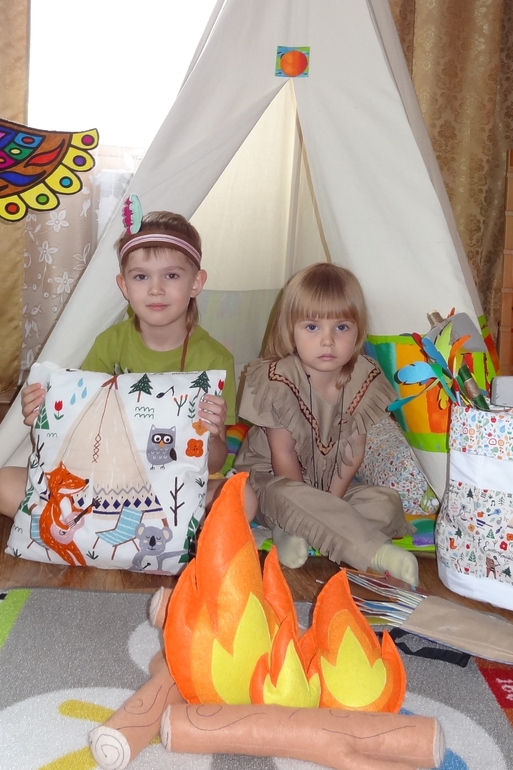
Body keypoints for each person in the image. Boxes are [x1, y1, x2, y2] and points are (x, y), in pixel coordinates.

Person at [0, 205, 254, 521]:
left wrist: (214, 434)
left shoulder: (215, 359)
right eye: (141, 276)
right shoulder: (110, 342)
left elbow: (213, 463)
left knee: (243, 498)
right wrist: (44, 413)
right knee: (5, 483)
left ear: (196, 283)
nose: (156, 289)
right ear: (124, 286)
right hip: (107, 475)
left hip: (179, 484)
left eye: (171, 275)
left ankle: (104, 525)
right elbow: (79, 428)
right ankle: (128, 524)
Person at [235, 262, 419, 586]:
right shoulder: (277, 379)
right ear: (290, 330)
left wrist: (326, 505)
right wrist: (308, 509)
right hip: (271, 480)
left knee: (387, 503)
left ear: (358, 331)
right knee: (285, 495)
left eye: (342, 327)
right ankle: (376, 553)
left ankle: (292, 532)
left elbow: (353, 453)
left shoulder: (364, 378)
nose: (328, 341)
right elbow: (283, 456)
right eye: (312, 327)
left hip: (327, 486)